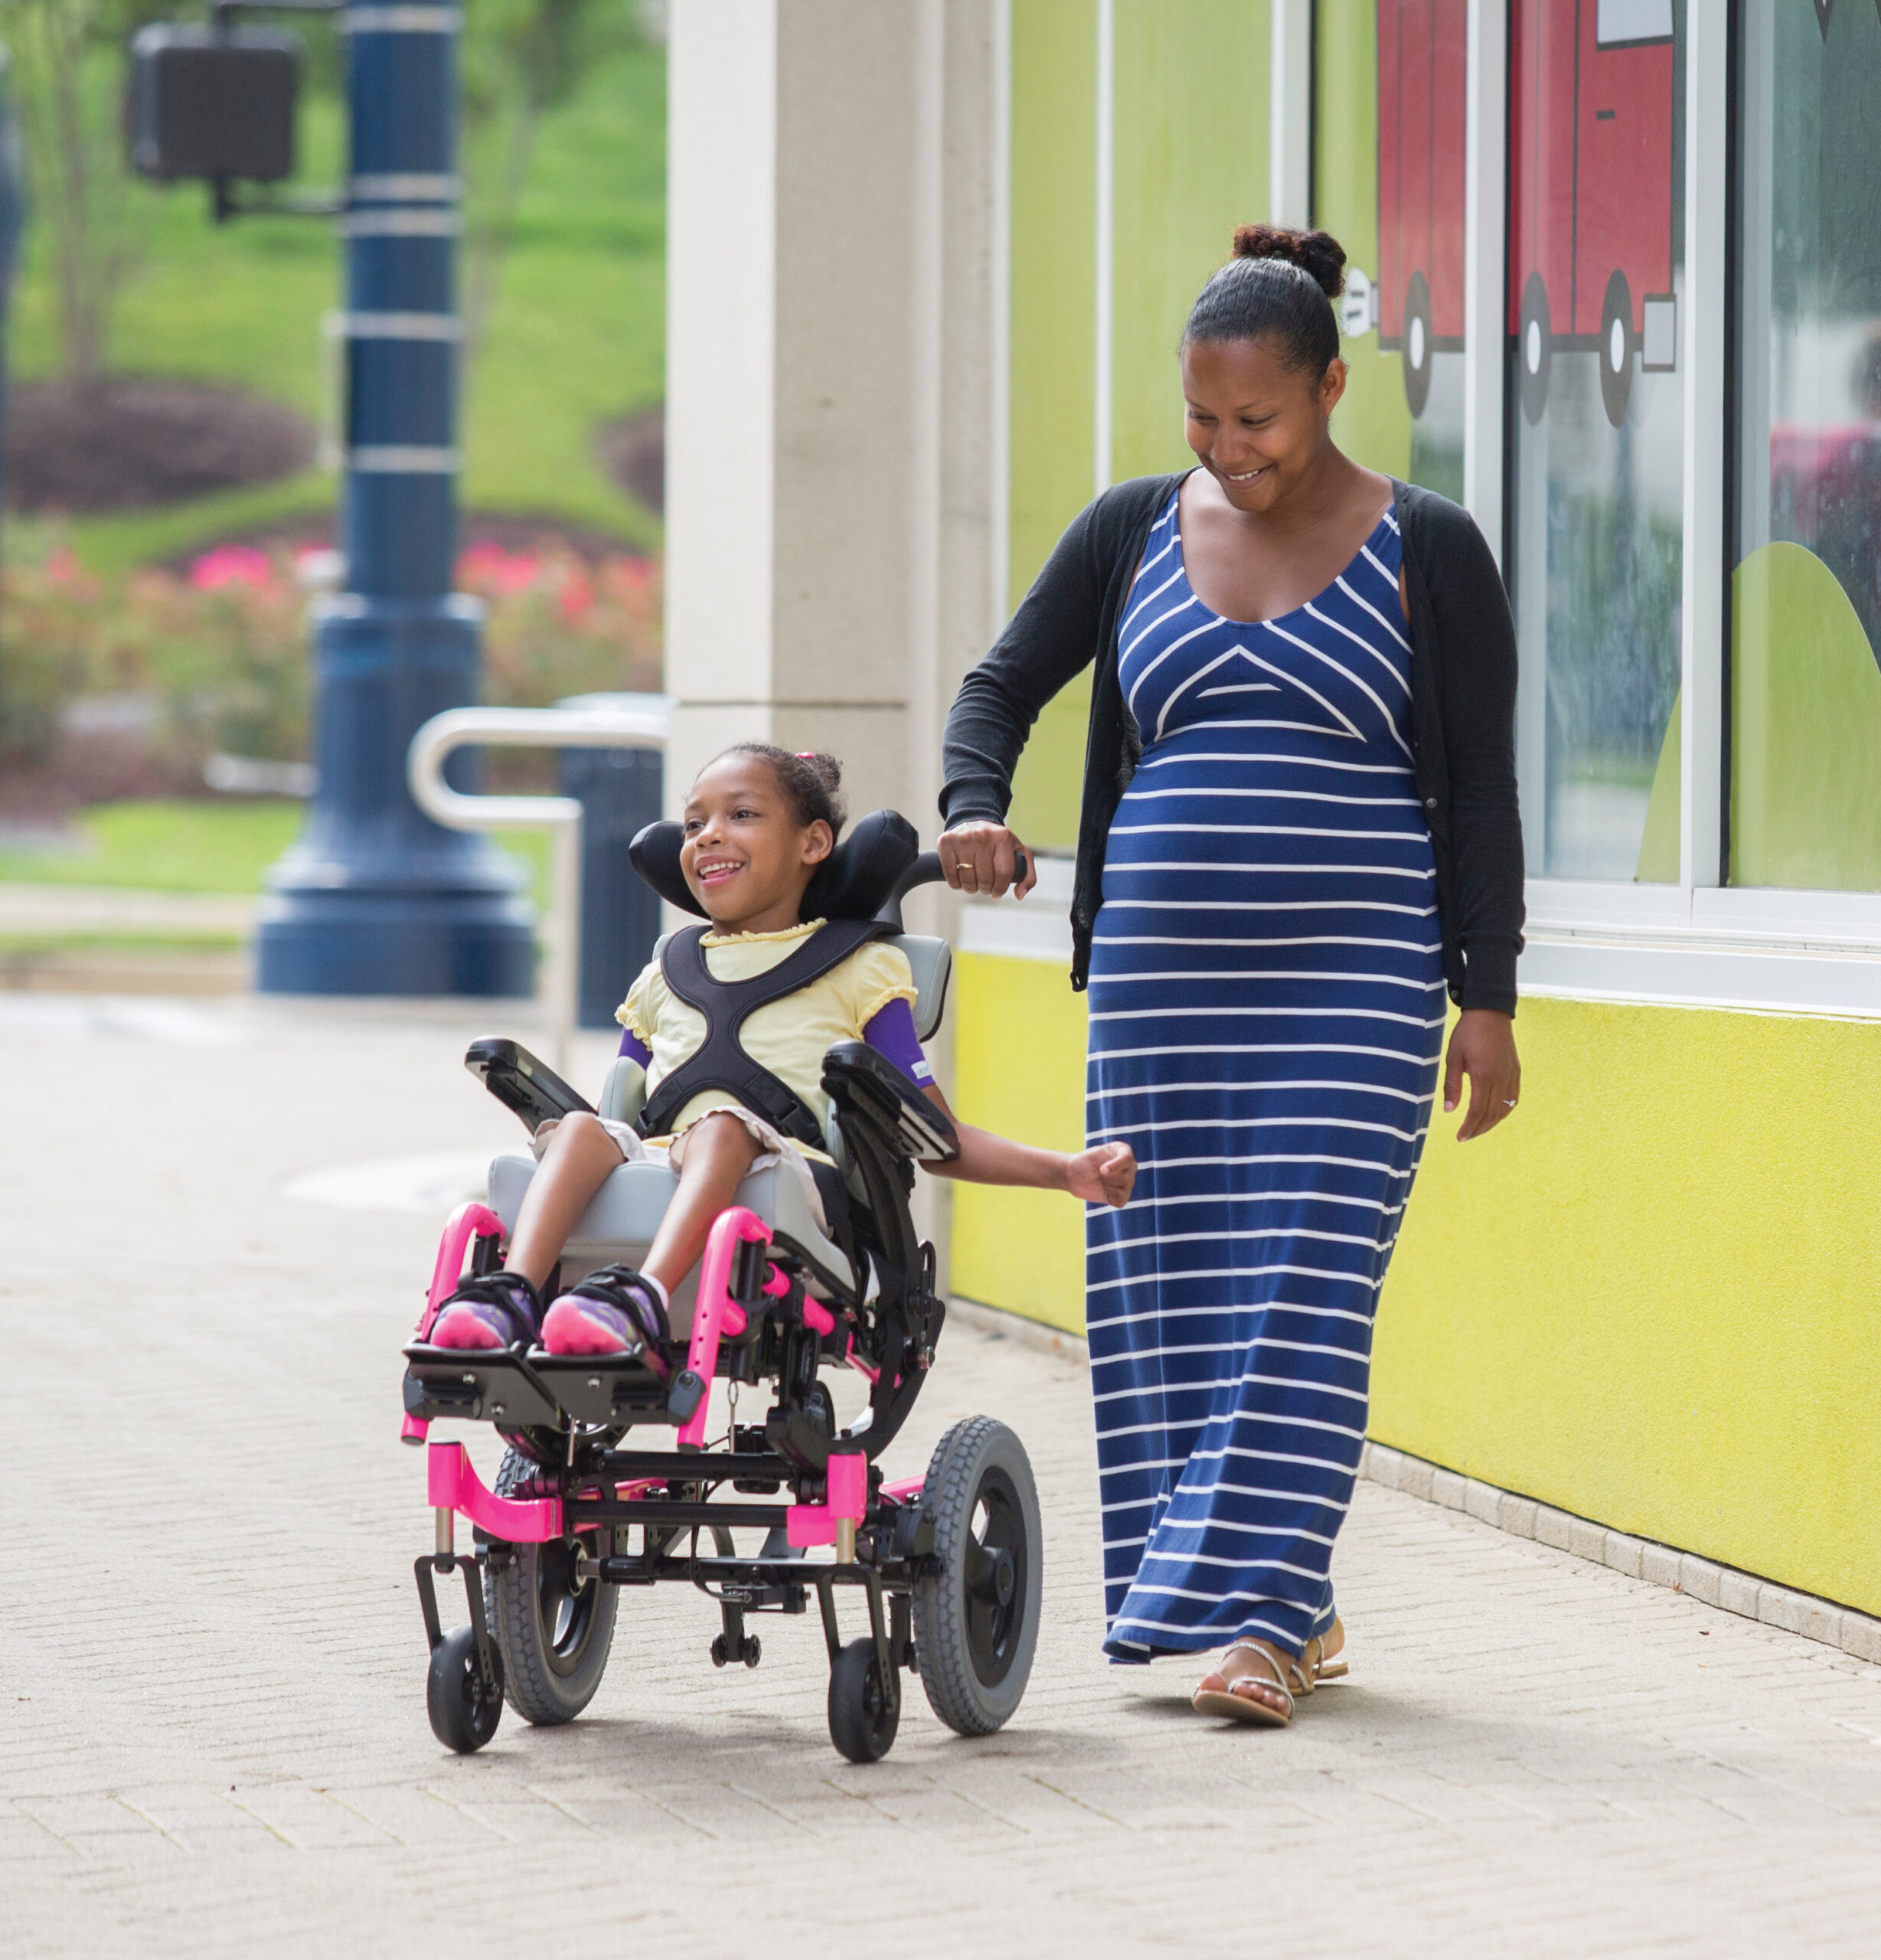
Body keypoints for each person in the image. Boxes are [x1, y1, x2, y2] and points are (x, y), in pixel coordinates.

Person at [936, 225, 1524, 1727]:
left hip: (1362, 972)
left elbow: (1480, 789)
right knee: (1167, 1285)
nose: (1225, 448)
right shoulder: (1131, 528)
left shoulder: (1428, 546)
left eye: (1253, 421)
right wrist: (971, 806)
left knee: (1307, 1287)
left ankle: (1253, 1620)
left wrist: (1487, 995)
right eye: (1201, 419)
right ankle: (1282, 1596)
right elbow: (1001, 685)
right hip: (1159, 977)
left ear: (1329, 387)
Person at [427, 742, 1136, 1361]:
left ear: (813, 843)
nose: (707, 835)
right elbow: (622, 1111)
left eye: (741, 815)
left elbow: (932, 1134)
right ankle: (509, 1299)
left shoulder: (861, 969)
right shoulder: (664, 972)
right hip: (661, 1160)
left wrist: (1063, 1170)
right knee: (580, 1128)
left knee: (722, 1128)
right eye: (695, 821)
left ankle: (643, 1301)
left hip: (793, 1176)